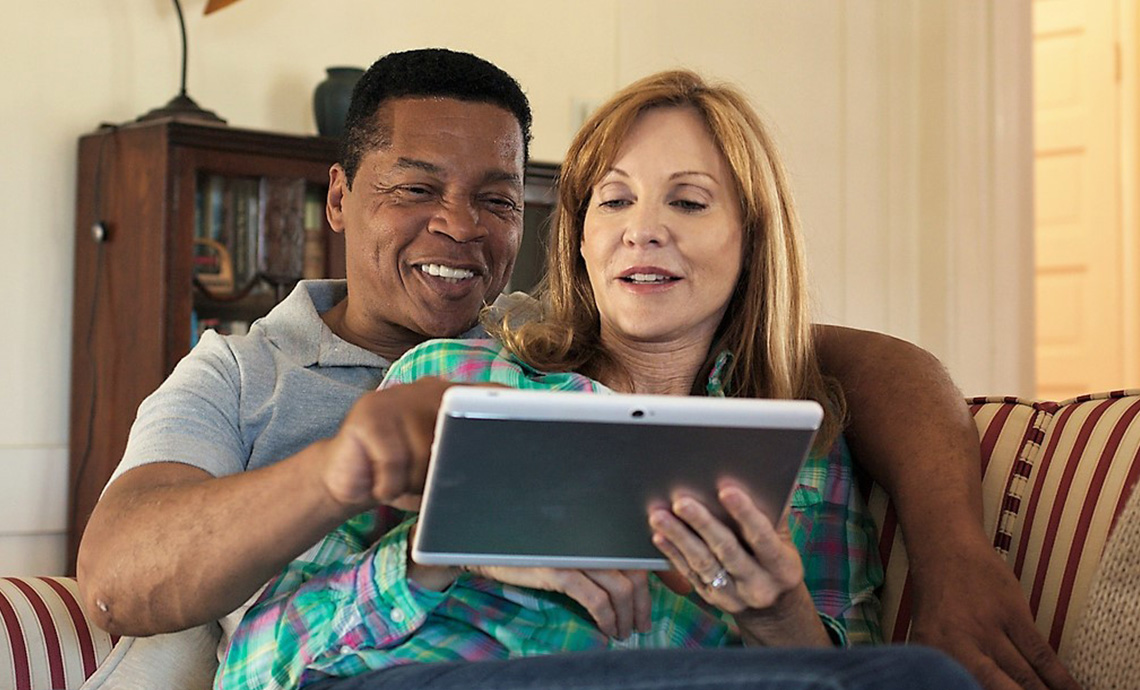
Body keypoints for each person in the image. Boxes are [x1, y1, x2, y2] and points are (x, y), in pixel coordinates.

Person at [76, 49, 1076, 690]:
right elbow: (182, 617)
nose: (458, 227)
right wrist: (439, 541)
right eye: (617, 201)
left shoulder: (798, 438)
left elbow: (848, 365)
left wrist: (817, 601)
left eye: (495, 198)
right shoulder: (364, 375)